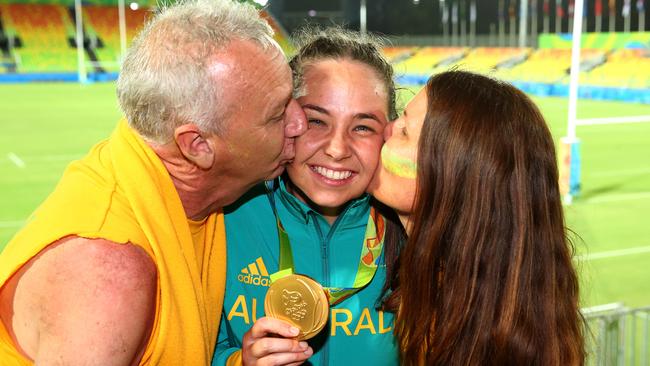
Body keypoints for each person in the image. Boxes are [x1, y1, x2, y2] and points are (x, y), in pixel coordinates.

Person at [0, 0, 307, 364]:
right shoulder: (105, 275)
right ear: (197, 146)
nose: (299, 123)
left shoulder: (183, 186)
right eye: (277, 115)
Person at [369, 70, 585, 365]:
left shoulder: (461, 327)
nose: (385, 129)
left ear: (450, 176)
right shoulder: (471, 295)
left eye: (404, 130)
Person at [213, 28, 401, 366]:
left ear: (389, 134)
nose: (337, 149)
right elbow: (186, 345)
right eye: (317, 121)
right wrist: (238, 362)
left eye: (362, 127)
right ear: (287, 119)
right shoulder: (227, 214)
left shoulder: (412, 229)